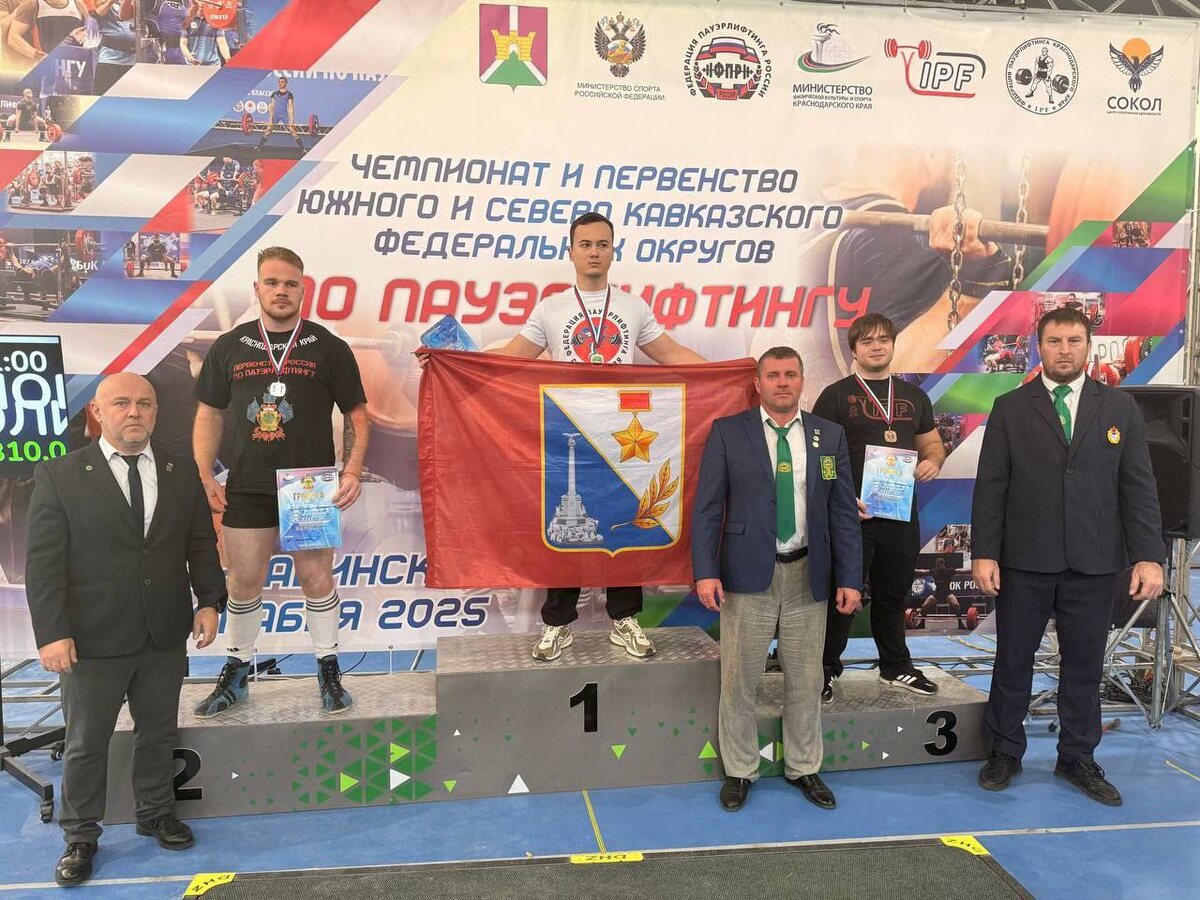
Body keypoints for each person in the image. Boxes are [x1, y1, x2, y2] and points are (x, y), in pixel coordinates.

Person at [24, 373, 226, 887]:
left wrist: (209, 601)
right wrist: (52, 633)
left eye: (144, 403)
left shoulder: (181, 469)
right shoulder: (60, 475)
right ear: (97, 411)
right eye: (121, 403)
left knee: (158, 733)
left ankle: (155, 813)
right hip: (91, 640)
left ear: (156, 411)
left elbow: (200, 542)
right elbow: (44, 565)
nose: (134, 412)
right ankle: (80, 836)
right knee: (86, 742)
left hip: (163, 633)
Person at [480, 211, 705, 662]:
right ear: (571, 252)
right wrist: (450, 361)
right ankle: (557, 623)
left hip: (624, 434)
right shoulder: (551, 308)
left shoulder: (633, 307)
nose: (594, 252)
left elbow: (671, 354)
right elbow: (511, 358)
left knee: (626, 522)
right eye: (585, 244)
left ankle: (625, 619)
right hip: (568, 429)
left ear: (613, 251)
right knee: (564, 527)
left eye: (602, 244)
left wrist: (735, 371)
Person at [972, 308, 1164, 806]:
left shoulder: (1120, 407)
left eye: (1073, 340)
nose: (1064, 350)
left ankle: (1077, 756)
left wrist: (1149, 556)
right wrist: (984, 553)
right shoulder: (1010, 408)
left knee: (1085, 664)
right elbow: (991, 487)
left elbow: (1138, 488)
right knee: (1013, 659)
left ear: (1088, 346)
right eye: (1054, 341)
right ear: (1039, 347)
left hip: (1095, 562)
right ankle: (1004, 750)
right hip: (1024, 560)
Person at [191, 246, 370, 717]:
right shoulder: (230, 345)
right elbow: (208, 413)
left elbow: (357, 414)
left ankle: (328, 669)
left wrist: (351, 470)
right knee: (243, 581)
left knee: (316, 578)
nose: (281, 291)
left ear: (303, 289)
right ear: (257, 288)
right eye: (272, 282)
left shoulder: (328, 346)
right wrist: (204, 473)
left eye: (290, 283)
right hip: (247, 483)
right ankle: (236, 673)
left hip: (307, 484)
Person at [693, 346, 862, 812]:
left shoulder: (828, 435)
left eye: (790, 374)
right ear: (758, 383)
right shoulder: (729, 432)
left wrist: (850, 577)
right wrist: (706, 572)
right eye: (773, 375)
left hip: (810, 574)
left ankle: (804, 767)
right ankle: (740, 770)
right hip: (747, 575)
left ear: (802, 380)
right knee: (739, 680)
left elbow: (843, 512)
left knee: (806, 679)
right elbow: (707, 509)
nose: (783, 382)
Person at [813, 313, 945, 702]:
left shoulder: (914, 397)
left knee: (894, 593)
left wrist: (933, 461)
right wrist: (839, 496)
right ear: (854, 349)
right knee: (842, 595)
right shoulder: (835, 396)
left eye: (883, 339)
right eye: (867, 341)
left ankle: (895, 666)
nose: (876, 346)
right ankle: (824, 668)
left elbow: (932, 444)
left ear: (892, 345)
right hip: (851, 515)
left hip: (900, 514)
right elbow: (818, 456)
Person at [256, 75, 305, 153]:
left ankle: (303, 149)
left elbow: (291, 107)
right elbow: (272, 106)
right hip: (275, 115)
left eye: (282, 82)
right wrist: (270, 119)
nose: (280, 83)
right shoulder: (274, 94)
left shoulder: (289, 94)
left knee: (292, 130)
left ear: (286, 83)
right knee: (268, 130)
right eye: (279, 82)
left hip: (284, 115)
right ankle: (258, 147)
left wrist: (291, 120)